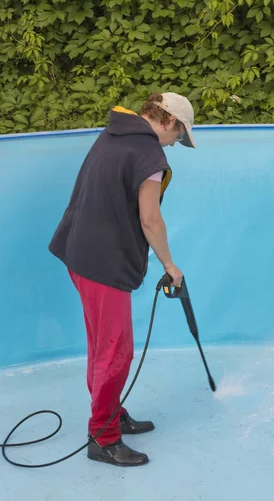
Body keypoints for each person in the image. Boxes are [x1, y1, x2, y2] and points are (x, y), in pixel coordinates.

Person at [49, 91, 196, 467]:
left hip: (79, 253)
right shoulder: (149, 155)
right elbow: (150, 220)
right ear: (167, 121)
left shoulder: (114, 133)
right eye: (178, 135)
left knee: (102, 346)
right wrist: (170, 265)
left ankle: (111, 411)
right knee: (116, 353)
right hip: (104, 264)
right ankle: (103, 437)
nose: (175, 143)